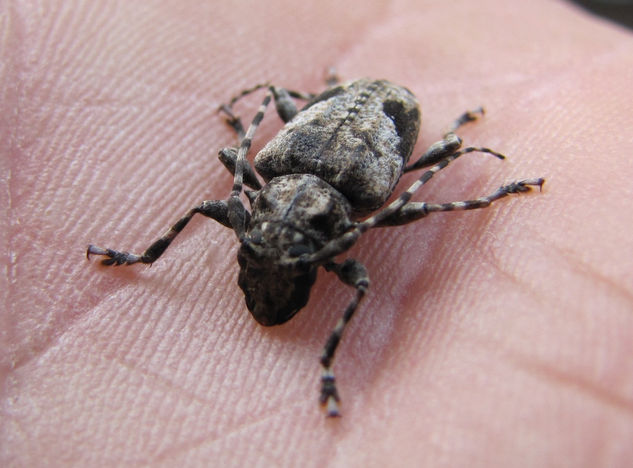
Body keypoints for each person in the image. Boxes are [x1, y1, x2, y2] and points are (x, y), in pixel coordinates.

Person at [2, 1, 632, 466]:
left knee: (417, 204)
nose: (275, 264)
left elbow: (413, 206)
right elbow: (225, 182)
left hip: (385, 116)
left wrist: (487, 195)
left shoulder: (345, 196)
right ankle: (143, 257)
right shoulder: (269, 172)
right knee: (214, 201)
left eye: (286, 260)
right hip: (338, 117)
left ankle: (335, 354)